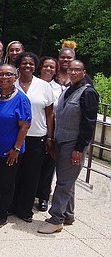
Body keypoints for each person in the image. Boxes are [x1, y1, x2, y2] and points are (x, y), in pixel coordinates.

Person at [39, 60, 99, 234]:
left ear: (84, 71)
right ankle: (68, 214)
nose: (73, 72)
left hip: (74, 143)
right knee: (68, 179)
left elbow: (89, 124)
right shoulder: (68, 90)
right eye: (71, 69)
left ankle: (56, 218)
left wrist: (79, 149)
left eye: (77, 70)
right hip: (61, 141)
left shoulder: (88, 93)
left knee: (63, 182)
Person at [0, 64, 31, 229]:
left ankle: (2, 214)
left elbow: (25, 126)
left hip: (9, 152)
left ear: (15, 77)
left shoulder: (21, 99)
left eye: (8, 74)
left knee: (6, 184)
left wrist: (16, 149)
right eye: (1, 74)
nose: (4, 77)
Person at [12, 52, 55, 223]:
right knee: (14, 174)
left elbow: (50, 114)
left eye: (31, 64)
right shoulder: (11, 83)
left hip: (37, 137)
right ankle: (11, 205)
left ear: (35, 66)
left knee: (31, 175)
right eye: (24, 63)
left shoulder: (44, 86)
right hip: (14, 137)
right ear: (19, 65)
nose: (27, 66)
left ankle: (24, 209)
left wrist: (50, 137)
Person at [35, 56, 63, 211]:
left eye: (52, 67)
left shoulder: (60, 89)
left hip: (51, 132)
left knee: (48, 167)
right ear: (40, 67)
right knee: (32, 167)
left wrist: (51, 136)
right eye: (46, 66)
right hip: (33, 131)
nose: (48, 69)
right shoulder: (32, 83)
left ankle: (43, 197)